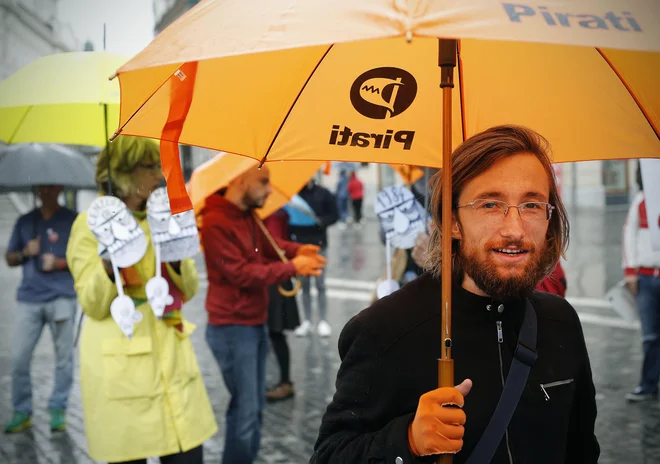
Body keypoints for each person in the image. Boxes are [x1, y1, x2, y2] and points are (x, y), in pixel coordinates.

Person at [312, 125, 600, 463]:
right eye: (491, 204)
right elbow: (331, 454)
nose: (515, 229)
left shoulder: (561, 321)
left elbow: (581, 449)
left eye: (532, 205)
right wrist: (408, 441)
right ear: (452, 222)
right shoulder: (383, 330)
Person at [66, 136, 217, 464]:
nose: (158, 174)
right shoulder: (89, 224)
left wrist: (175, 252)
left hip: (172, 354)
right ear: (122, 172)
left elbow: (188, 288)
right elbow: (92, 303)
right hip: (123, 361)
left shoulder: (161, 217)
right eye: (148, 166)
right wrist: (110, 258)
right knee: (129, 452)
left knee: (187, 453)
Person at [201, 165, 326, 464]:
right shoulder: (216, 221)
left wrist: (297, 250)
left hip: (252, 321)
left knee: (253, 408)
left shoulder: (247, 216)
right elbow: (241, 274)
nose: (269, 189)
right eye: (263, 182)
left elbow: (270, 247)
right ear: (239, 180)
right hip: (232, 327)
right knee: (246, 411)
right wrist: (293, 267)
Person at [4, 185, 77, 434]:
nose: (46, 191)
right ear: (36, 190)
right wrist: (26, 252)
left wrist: (59, 263)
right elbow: (9, 257)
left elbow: (86, 258)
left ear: (59, 188)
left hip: (62, 297)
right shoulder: (26, 221)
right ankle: (22, 410)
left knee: (64, 359)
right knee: (19, 359)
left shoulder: (72, 220)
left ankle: (58, 407)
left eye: (51, 187)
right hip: (30, 299)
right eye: (42, 188)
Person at [623, 164, 660, 402]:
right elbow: (629, 233)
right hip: (646, 278)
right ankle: (648, 384)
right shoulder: (642, 199)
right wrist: (630, 271)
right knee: (649, 337)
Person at [289, 178, 339, 338]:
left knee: (320, 283)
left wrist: (320, 222)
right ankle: (307, 321)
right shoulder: (294, 194)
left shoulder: (323, 193)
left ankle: (323, 321)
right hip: (300, 246)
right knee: (304, 285)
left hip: (319, 245)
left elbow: (334, 214)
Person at [264, 208, 301, 402]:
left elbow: (274, 244)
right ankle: (282, 381)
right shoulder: (269, 213)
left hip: (274, 279)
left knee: (275, 333)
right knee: (272, 333)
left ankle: (285, 382)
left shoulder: (274, 214)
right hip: (270, 277)